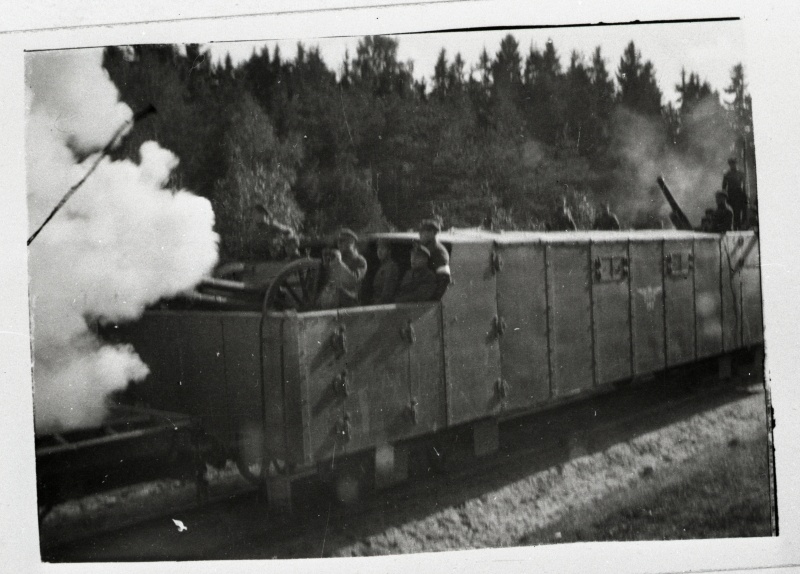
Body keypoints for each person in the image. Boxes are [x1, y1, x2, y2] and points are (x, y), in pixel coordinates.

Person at [418, 219, 451, 299]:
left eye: (423, 231)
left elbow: (443, 278)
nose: (419, 234)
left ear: (432, 233)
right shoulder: (428, 247)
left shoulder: (437, 251)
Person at [722, 157, 748, 230]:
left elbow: (744, 185)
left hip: (739, 195)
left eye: (734, 163)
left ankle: (739, 227)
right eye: (731, 164)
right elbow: (724, 186)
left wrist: (744, 195)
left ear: (736, 164)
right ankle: (732, 227)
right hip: (730, 195)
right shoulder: (727, 174)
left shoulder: (741, 173)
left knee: (739, 212)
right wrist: (725, 196)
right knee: (731, 212)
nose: (732, 165)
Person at [371, 239, 399, 304]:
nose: (379, 251)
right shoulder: (383, 266)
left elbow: (387, 293)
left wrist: (377, 304)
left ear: (389, 251)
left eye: (382, 248)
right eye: (378, 249)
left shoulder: (391, 267)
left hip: (383, 304)